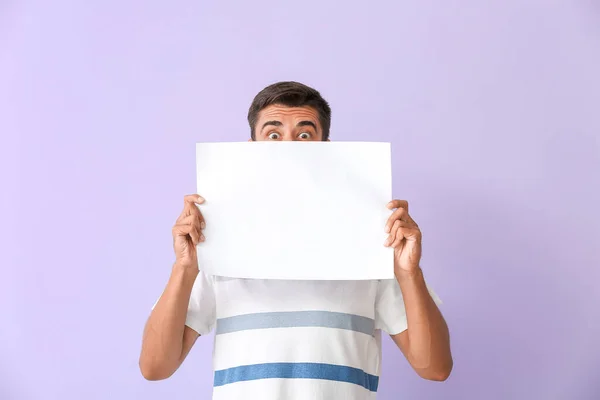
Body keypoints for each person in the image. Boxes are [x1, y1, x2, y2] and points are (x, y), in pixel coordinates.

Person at [139, 81, 453, 399]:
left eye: (304, 135)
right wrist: (184, 267)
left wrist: (409, 271)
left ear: (327, 148)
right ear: (250, 148)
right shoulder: (214, 247)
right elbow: (155, 367)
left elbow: (435, 368)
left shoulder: (373, 245)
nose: (288, 147)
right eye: (273, 135)